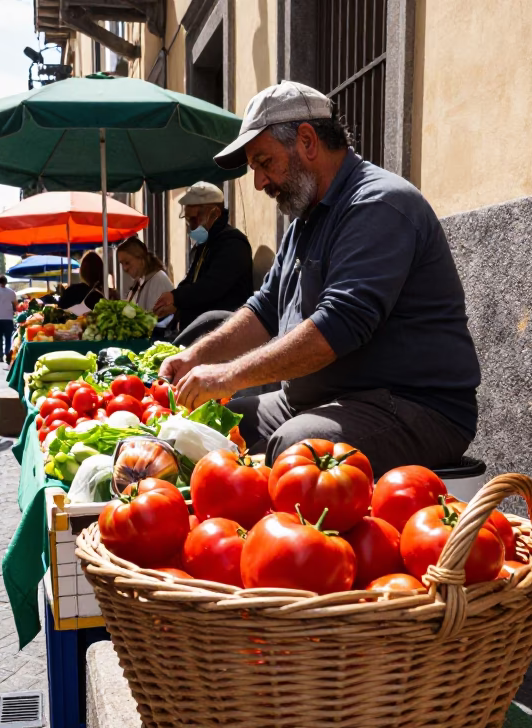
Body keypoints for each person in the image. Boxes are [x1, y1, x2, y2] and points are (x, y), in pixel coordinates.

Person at [159, 81, 481, 475]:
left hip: (412, 407)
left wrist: (227, 375)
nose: (259, 182)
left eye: (263, 162)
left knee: (297, 452)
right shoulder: (305, 221)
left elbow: (338, 326)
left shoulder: (378, 204)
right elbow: (264, 310)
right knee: (202, 431)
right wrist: (195, 356)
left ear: (307, 142)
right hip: (321, 400)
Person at [152, 182, 253, 334]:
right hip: (202, 330)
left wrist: (177, 298)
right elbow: (192, 280)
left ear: (215, 213)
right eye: (188, 220)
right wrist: (174, 300)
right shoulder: (206, 244)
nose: (191, 226)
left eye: (194, 219)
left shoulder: (233, 243)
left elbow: (212, 286)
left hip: (224, 331)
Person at [115, 237, 172, 315]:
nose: (125, 268)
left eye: (127, 263)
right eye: (122, 264)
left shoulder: (157, 280)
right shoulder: (140, 281)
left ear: (141, 259)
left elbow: (155, 318)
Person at [0, 275, 18, 363]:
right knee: (8, 337)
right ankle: (7, 353)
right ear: (6, 282)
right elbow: (15, 304)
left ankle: (0, 356)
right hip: (8, 318)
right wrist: (14, 312)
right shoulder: (12, 292)